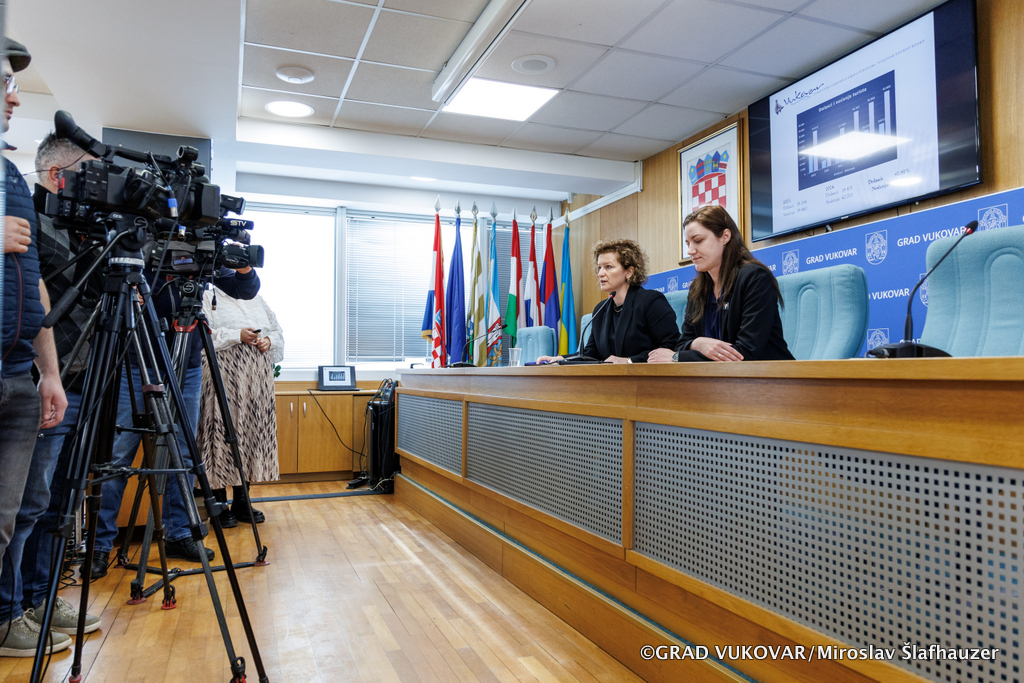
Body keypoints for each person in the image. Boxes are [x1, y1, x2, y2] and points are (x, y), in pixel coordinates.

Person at [89, 232, 261, 577]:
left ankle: (179, 534)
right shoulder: (140, 243)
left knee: (183, 453)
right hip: (137, 358)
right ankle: (99, 545)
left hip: (188, 364)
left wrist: (242, 264)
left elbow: (244, 289)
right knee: (118, 455)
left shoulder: (199, 249)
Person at [0, 134, 103, 658]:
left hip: (71, 376)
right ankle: (11, 607)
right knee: (22, 505)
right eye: (89, 175)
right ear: (58, 176)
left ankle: (38, 596)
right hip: (34, 377)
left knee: (53, 499)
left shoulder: (84, 229)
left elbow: (43, 290)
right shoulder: (34, 220)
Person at [0, 40, 71, 657]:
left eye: (13, 84)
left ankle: (12, 610)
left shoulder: (9, 178)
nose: (14, 97)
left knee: (14, 514)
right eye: (3, 84)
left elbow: (33, 282)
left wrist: (48, 372)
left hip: (20, 372)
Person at [649, 205, 793, 363]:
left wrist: (678, 357)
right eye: (688, 243)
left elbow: (744, 353)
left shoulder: (755, 277)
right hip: (720, 377)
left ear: (725, 236)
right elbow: (682, 344)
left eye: (698, 241)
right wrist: (698, 343)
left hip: (772, 375)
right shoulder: (697, 289)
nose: (690, 251)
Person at [196, 287, 284, 528]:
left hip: (256, 378)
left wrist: (268, 340)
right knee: (220, 433)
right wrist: (237, 335)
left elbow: (277, 331)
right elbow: (202, 335)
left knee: (250, 434)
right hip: (222, 373)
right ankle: (218, 503)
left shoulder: (257, 299)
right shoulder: (207, 297)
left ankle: (242, 500)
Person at [540, 239, 679, 364]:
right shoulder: (601, 309)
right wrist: (562, 359)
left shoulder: (651, 301)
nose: (600, 273)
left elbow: (671, 347)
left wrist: (629, 361)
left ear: (629, 272)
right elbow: (591, 354)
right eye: (599, 267)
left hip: (646, 379)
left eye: (608, 267)